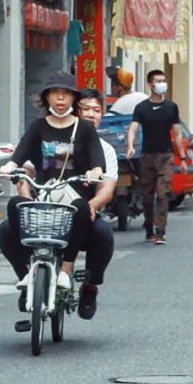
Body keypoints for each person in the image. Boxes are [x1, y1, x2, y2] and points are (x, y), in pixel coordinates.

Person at [0, 72, 105, 302]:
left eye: (66, 93)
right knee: (15, 206)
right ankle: (29, 270)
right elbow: (19, 155)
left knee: (84, 210)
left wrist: (95, 171)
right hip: (44, 195)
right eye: (55, 93)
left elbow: (98, 160)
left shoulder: (85, 128)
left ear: (73, 99)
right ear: (46, 97)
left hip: (73, 195)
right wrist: (9, 167)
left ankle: (66, 269)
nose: (60, 98)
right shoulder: (37, 127)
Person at [70, 86, 118, 319]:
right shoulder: (51, 137)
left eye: (96, 110)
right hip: (47, 216)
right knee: (8, 231)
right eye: (85, 109)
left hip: (84, 217)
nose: (91, 114)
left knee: (103, 234)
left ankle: (89, 287)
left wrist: (92, 205)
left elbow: (107, 189)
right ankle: (28, 279)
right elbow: (27, 169)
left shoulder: (106, 150)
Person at [125, 68, 182, 245]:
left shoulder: (171, 107)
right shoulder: (141, 108)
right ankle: (149, 227)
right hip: (147, 157)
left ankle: (161, 232)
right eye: (158, 81)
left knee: (162, 194)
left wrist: (183, 157)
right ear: (150, 84)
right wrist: (130, 146)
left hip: (166, 156)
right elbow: (133, 129)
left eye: (163, 80)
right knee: (148, 196)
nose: (162, 84)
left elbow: (177, 133)